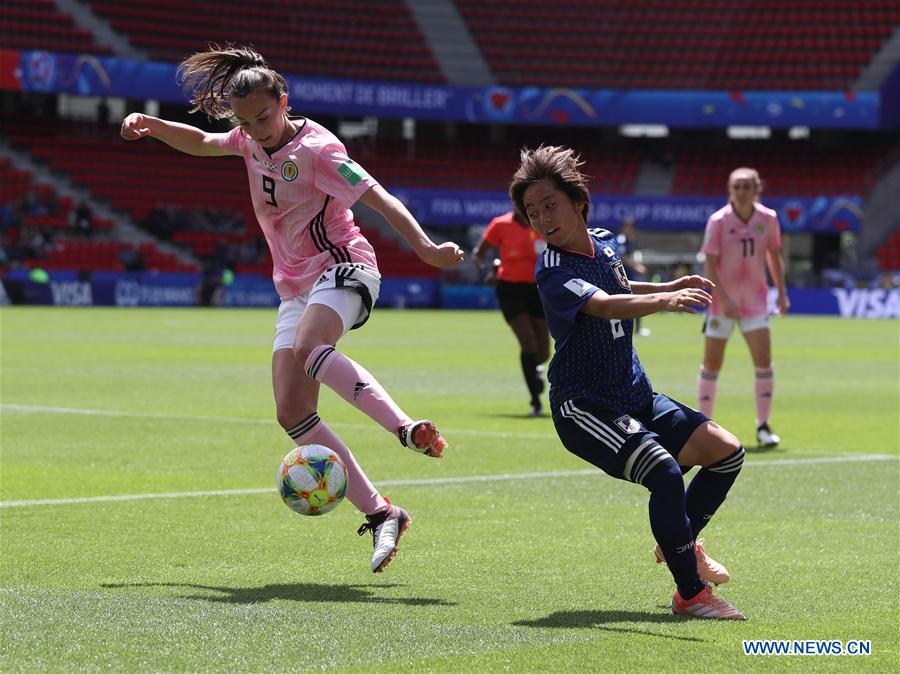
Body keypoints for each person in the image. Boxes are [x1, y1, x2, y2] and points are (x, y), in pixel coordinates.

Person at [120, 46, 464, 573]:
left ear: (284, 101)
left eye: (262, 117)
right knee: (292, 412)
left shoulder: (319, 150)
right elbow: (205, 141)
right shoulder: (247, 138)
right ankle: (382, 513)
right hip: (295, 288)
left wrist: (424, 248)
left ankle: (404, 428)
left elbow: (378, 197)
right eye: (246, 121)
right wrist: (152, 124)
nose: (255, 130)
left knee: (310, 349)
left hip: (344, 264)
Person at [510, 145, 747, 620]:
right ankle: (691, 594)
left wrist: (664, 288)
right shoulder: (552, 269)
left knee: (726, 451)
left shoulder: (605, 243)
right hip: (585, 405)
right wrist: (666, 302)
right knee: (664, 471)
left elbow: (619, 287)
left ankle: (680, 540)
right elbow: (603, 304)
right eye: (532, 213)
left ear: (578, 202)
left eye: (549, 205)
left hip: (634, 394)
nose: (541, 219)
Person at [697, 167, 789, 448]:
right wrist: (723, 299)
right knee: (712, 364)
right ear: (730, 190)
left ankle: (762, 427)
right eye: (736, 186)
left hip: (756, 301)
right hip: (721, 304)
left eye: (746, 186)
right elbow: (710, 264)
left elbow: (773, 256)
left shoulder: (768, 218)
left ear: (756, 189)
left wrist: (782, 293)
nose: (741, 191)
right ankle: (701, 427)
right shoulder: (718, 221)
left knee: (763, 362)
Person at [473, 208, 550, 416]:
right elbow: (479, 254)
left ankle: (536, 371)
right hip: (510, 289)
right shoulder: (500, 224)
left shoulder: (542, 223)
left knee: (543, 351)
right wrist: (487, 271)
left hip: (538, 289)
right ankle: (535, 400)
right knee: (528, 342)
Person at [616, 217, 650, 336]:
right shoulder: (621, 240)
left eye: (632, 227)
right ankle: (623, 329)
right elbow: (623, 256)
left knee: (637, 300)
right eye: (628, 227)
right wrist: (637, 267)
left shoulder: (632, 240)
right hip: (621, 275)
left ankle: (637, 329)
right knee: (624, 302)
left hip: (631, 275)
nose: (630, 229)